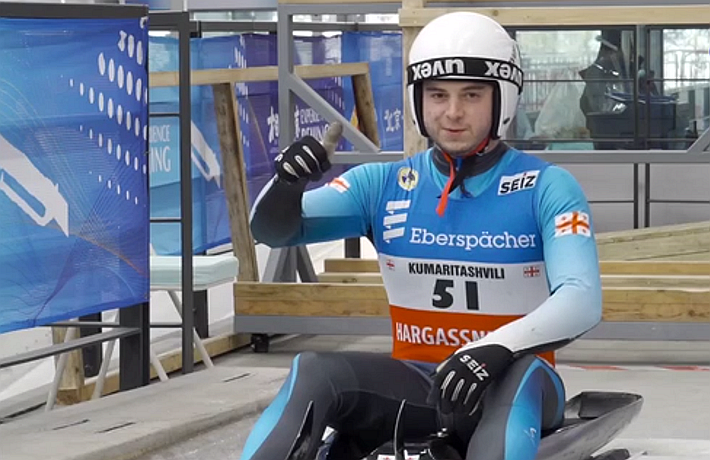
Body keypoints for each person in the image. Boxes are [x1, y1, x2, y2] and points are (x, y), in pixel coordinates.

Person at [243, 11, 602, 460]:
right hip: (421, 383)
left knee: (519, 375)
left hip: (513, 380)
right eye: (437, 94)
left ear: (503, 99)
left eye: (471, 95)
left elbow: (582, 298)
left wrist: (496, 347)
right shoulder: (381, 184)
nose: (452, 112)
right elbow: (271, 231)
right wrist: (286, 185)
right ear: (418, 100)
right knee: (313, 370)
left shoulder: (547, 187)